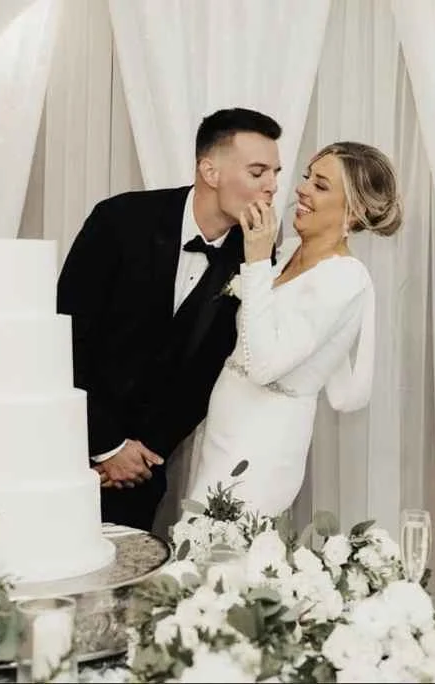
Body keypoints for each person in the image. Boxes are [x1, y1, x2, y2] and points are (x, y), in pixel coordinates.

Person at [56, 107, 283, 531]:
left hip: (142, 469)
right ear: (210, 170)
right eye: (258, 172)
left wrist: (143, 454)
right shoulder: (119, 221)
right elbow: (65, 337)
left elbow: (211, 371)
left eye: (275, 172)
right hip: (65, 445)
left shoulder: (255, 253)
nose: (272, 186)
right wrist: (106, 446)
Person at [183, 141, 402, 517]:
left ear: (355, 211)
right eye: (306, 178)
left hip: (265, 439)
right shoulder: (285, 251)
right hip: (225, 428)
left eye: (320, 185)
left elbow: (265, 365)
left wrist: (253, 262)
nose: (301, 189)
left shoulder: (343, 278)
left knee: (219, 558)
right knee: (197, 552)